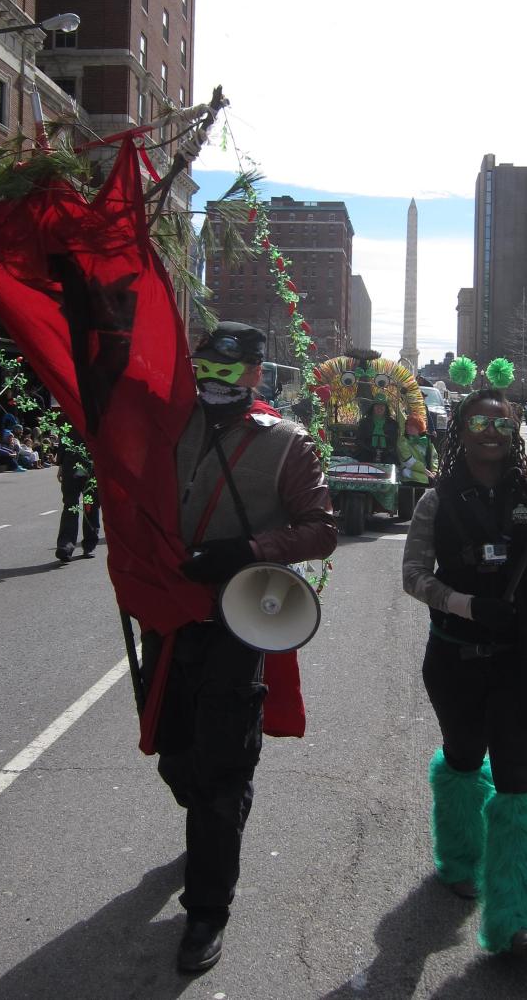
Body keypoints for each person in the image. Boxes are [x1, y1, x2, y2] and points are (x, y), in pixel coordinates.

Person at [142, 321, 338, 974]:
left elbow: (321, 530)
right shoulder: (171, 427)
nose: (212, 381)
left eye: (228, 370)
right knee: (174, 753)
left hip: (241, 618)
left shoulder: (287, 443)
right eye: (203, 367)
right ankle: (213, 812)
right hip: (169, 615)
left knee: (222, 771)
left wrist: (247, 551)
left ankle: (206, 910)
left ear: (255, 372)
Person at [402, 378, 527, 961]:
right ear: (461, 431)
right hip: (455, 659)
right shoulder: (437, 500)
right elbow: (414, 576)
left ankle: (522, 917)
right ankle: (460, 859)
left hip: (522, 661)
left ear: (514, 432)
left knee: (518, 779)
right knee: (464, 758)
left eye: (502, 423)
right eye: (480, 423)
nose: (492, 433)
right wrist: (468, 606)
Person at [54, 429, 100, 562]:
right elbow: (64, 438)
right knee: (70, 505)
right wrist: (61, 465)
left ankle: (89, 544)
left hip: (92, 464)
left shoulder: (98, 416)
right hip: (71, 464)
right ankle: (65, 546)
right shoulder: (68, 418)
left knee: (90, 505)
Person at [353, 394, 399, 464]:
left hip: (387, 454)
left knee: (390, 462)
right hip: (367, 452)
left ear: (386, 408)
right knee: (363, 460)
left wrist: (385, 451)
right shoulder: (364, 422)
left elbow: (394, 442)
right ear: (373, 407)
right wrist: (370, 449)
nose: (379, 407)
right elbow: (359, 440)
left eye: (382, 405)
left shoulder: (393, 424)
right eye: (377, 405)